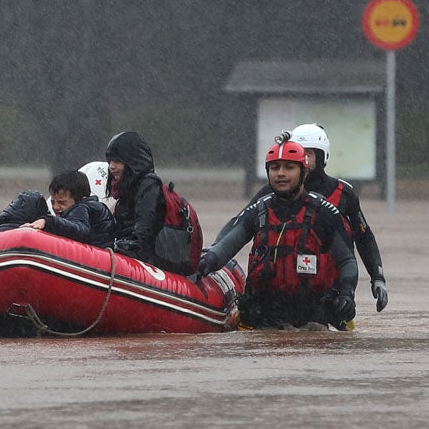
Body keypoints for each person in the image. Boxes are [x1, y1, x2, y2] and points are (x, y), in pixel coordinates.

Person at [196, 138, 357, 330]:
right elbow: (225, 247)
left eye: (289, 167)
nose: (280, 173)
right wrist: (202, 265)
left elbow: (347, 261)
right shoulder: (258, 211)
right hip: (264, 316)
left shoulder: (324, 213)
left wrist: (347, 294)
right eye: (274, 168)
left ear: (304, 172)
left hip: (312, 317)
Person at [287, 123, 389, 312]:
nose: (303, 160)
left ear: (322, 156)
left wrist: (378, 278)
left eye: (308, 154)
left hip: (334, 294)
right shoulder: (276, 192)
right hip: (285, 294)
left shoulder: (344, 194)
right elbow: (240, 227)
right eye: (298, 153)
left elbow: (364, 237)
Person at [103, 130, 183, 272]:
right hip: (131, 254)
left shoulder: (148, 185)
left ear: (132, 162)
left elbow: (143, 230)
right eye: (109, 161)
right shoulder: (126, 189)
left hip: (149, 260)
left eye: (117, 161)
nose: (111, 167)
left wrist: (123, 247)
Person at [20, 169, 115, 248]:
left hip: (96, 257)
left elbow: (79, 229)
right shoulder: (87, 207)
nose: (55, 207)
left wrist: (48, 222)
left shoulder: (82, 208)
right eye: (53, 202)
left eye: (62, 202)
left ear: (81, 199)